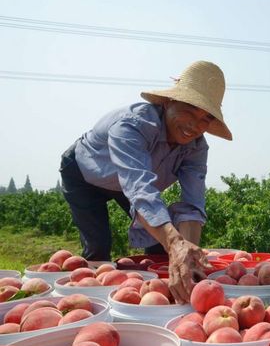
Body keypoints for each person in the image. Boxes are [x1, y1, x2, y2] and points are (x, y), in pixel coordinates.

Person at [59, 60, 233, 303]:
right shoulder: (134, 125)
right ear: (169, 102)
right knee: (99, 246)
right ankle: (92, 303)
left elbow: (193, 204)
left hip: (130, 183)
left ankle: (162, 295)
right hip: (85, 174)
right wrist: (174, 244)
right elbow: (139, 190)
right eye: (189, 111)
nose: (195, 125)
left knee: (163, 250)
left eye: (205, 118)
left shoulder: (196, 147)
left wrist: (187, 257)